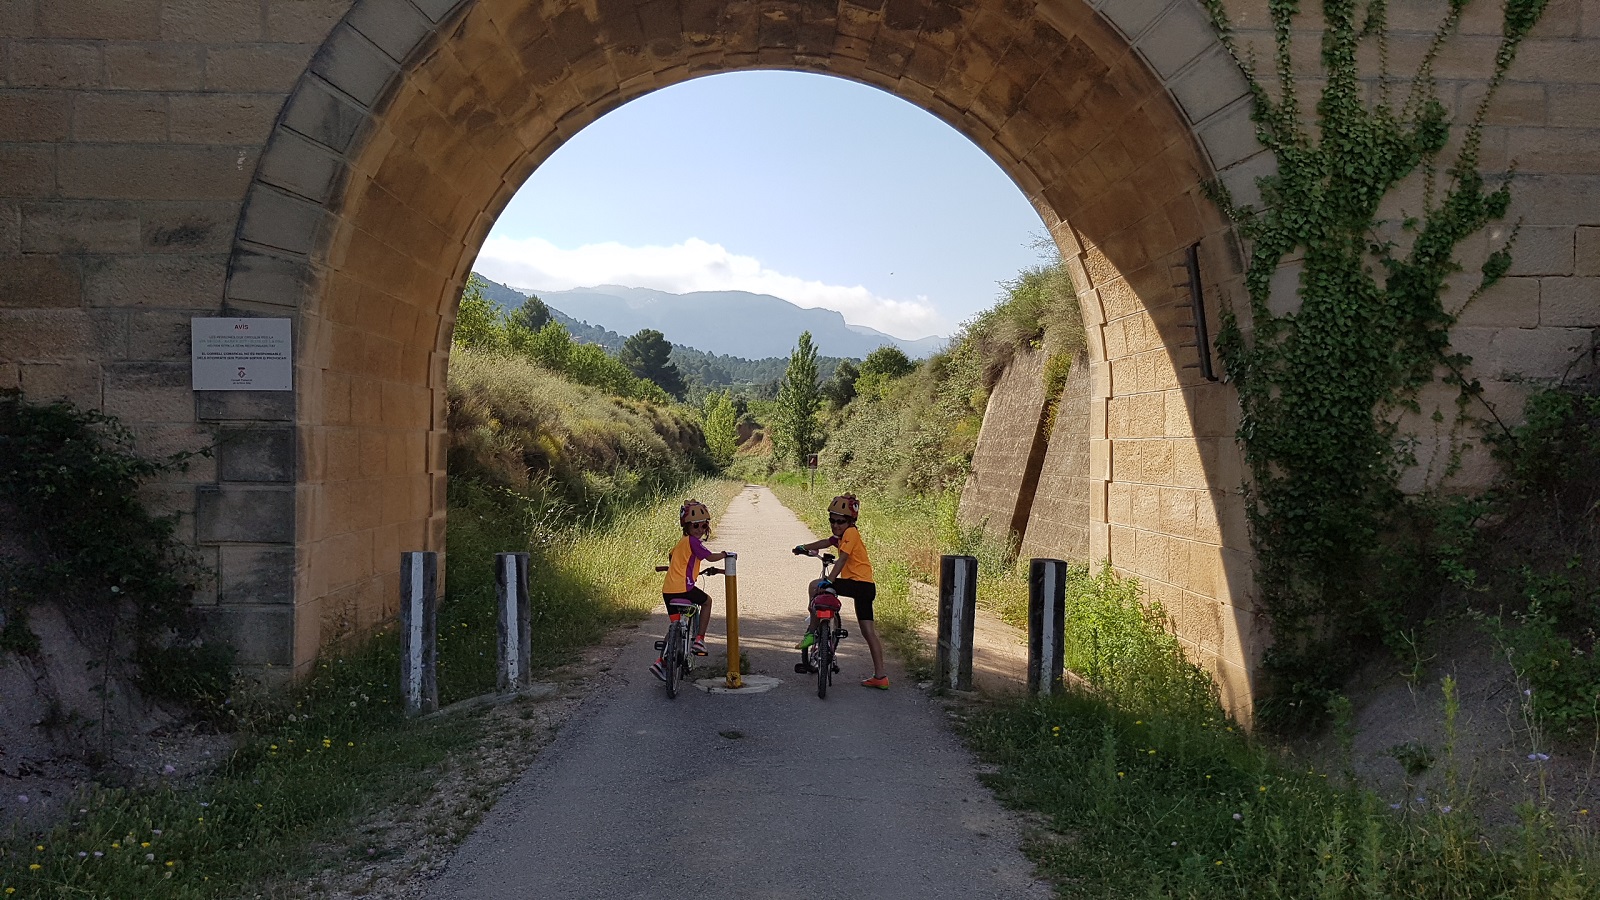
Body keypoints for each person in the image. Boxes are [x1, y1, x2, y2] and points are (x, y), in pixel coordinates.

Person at [791, 493, 889, 689]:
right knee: (868, 632)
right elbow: (826, 543)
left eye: (840, 522)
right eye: (832, 520)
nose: (836, 525)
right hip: (867, 587)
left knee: (815, 586)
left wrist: (828, 580)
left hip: (857, 584)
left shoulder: (851, 533)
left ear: (851, 521)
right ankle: (881, 677)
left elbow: (842, 559)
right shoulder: (844, 535)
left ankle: (811, 631)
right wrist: (803, 547)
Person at [652, 499, 733, 681]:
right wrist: (725, 555)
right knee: (706, 601)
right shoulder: (693, 542)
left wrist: (671, 568)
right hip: (684, 588)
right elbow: (711, 558)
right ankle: (699, 640)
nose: (699, 530)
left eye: (703, 526)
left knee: (674, 626)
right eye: (695, 526)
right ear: (687, 527)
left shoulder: (681, 543)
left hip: (668, 591)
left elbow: (674, 558)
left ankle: (660, 661)